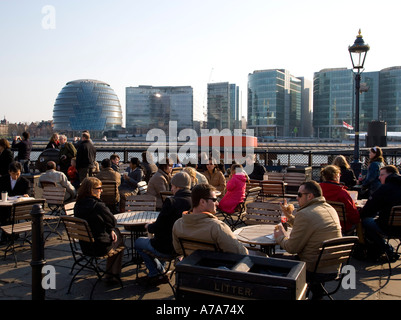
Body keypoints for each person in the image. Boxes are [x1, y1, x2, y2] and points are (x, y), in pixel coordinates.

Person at [274, 181, 342, 299]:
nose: (297, 197)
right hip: (332, 266)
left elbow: (291, 248)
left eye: (299, 195)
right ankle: (317, 294)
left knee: (271, 260)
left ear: (309, 196)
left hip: (312, 268)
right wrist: (289, 216)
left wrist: (279, 236)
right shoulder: (329, 208)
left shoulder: (305, 214)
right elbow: (310, 226)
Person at [135, 172, 192, 286]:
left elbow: (158, 227)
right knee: (156, 242)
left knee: (138, 242)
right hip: (183, 248)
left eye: (172, 186)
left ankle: (155, 274)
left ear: (177, 186)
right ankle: (160, 272)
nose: (171, 189)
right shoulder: (194, 201)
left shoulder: (171, 202)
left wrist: (149, 226)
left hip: (167, 247)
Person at [172, 184, 248, 256]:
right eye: (214, 200)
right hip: (215, 268)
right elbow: (241, 253)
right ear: (202, 202)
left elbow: (179, 250)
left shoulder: (178, 224)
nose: (217, 203)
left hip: (191, 267)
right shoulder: (217, 227)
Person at [74, 177, 124, 280]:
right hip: (99, 247)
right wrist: (112, 230)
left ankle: (110, 273)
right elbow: (113, 221)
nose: (101, 190)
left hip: (85, 245)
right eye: (99, 188)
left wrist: (110, 230)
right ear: (91, 190)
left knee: (115, 233)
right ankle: (112, 275)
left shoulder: (78, 204)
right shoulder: (97, 205)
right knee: (119, 239)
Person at [360, 165, 401, 262]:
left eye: (382, 175)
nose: (379, 177)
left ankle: (387, 249)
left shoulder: (385, 189)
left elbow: (369, 209)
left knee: (365, 221)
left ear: (390, 175)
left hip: (388, 227)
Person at [320, 165, 360, 234]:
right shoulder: (342, 192)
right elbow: (353, 214)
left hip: (322, 223)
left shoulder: (318, 190)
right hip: (341, 226)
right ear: (336, 176)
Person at [0, 162, 30, 243]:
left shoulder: (25, 182)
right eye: (14, 174)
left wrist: (26, 195)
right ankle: (7, 234)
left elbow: (27, 193)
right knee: (4, 214)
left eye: (18, 174)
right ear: (9, 172)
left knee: (6, 214)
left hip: (17, 208)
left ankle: (7, 235)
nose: (16, 176)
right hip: (5, 206)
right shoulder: (3, 180)